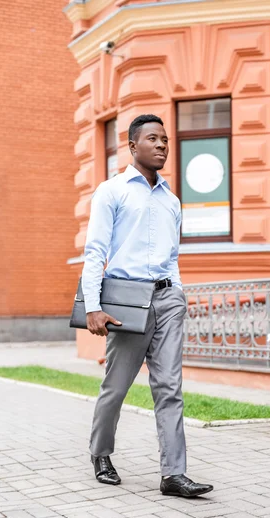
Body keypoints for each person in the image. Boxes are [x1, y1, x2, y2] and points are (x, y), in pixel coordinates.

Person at [81, 114, 213, 498]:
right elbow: (95, 253)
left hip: (168, 298)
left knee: (170, 387)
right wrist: (93, 306)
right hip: (127, 301)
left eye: (166, 139)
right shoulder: (112, 191)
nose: (162, 145)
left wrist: (179, 294)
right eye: (152, 139)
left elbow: (172, 255)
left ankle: (174, 474)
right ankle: (100, 453)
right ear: (132, 145)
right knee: (116, 386)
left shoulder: (171, 200)